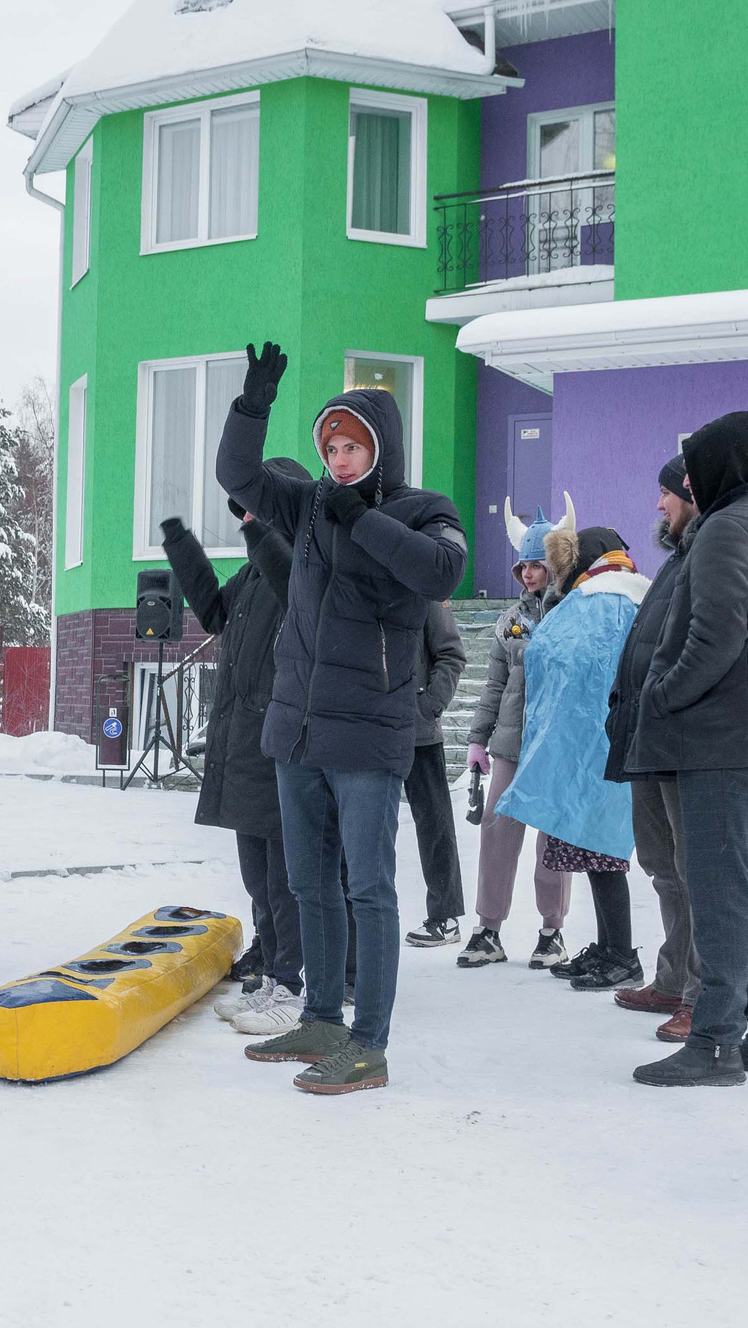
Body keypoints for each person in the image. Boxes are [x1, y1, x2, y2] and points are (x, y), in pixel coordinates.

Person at [216, 341, 469, 1097]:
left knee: (368, 887)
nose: (338, 457)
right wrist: (251, 408)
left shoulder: (424, 510)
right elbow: (239, 477)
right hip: (297, 729)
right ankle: (321, 1014)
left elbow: (440, 571)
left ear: (379, 447)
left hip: (368, 732)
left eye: (351, 445)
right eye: (330, 446)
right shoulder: (310, 502)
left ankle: (369, 1042)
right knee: (307, 881)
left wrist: (364, 518)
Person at [622, 411, 748, 1088]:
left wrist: (662, 693)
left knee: (721, 891)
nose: (689, 483)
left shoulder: (727, 527)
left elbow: (715, 638)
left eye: (696, 469)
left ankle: (718, 1039)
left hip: (724, 736)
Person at [161, 466, 303, 1034]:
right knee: (258, 876)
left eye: (255, 509)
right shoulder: (252, 574)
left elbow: (293, 590)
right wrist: (180, 543)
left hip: (279, 745)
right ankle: (271, 971)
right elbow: (212, 613)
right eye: (243, 510)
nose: (246, 518)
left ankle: (292, 984)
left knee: (286, 877)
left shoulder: (298, 567)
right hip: (244, 742)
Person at [500, 526, 649, 993]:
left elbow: (568, 658)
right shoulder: (626, 594)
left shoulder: (600, 599)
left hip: (596, 744)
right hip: (603, 740)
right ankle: (609, 947)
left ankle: (621, 954)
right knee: (594, 852)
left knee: (601, 852)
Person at [459, 501, 576, 969]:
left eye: (538, 564)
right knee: (497, 832)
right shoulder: (510, 619)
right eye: (523, 565)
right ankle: (488, 929)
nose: (529, 573)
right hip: (510, 744)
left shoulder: (572, 610)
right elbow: (493, 685)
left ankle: (552, 932)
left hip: (554, 746)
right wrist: (477, 739)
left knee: (552, 841)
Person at [608, 456, 699, 1031]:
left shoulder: (707, 554)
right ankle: (672, 979)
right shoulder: (676, 559)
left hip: (680, 737)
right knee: (662, 866)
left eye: (667, 493)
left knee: (693, 871)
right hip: (648, 737)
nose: (659, 504)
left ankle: (698, 991)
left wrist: (659, 697)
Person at [402, 602, 469, 948]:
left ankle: (445, 916)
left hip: (418, 733)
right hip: (371, 730)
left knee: (435, 826)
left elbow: (451, 654)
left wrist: (428, 706)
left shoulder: (423, 594)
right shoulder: (365, 582)